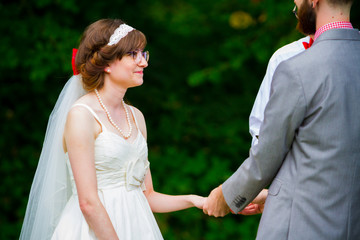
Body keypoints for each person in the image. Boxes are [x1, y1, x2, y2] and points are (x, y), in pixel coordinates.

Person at [20, 19, 205, 240]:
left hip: (138, 227)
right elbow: (88, 202)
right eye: (132, 55)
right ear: (106, 63)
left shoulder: (136, 117)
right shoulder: (82, 115)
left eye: (143, 54)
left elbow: (148, 195)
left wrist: (195, 200)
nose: (143, 62)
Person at [204, 0, 360, 238]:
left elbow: (267, 154)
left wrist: (225, 196)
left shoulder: (297, 69)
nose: (295, 3)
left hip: (301, 227)